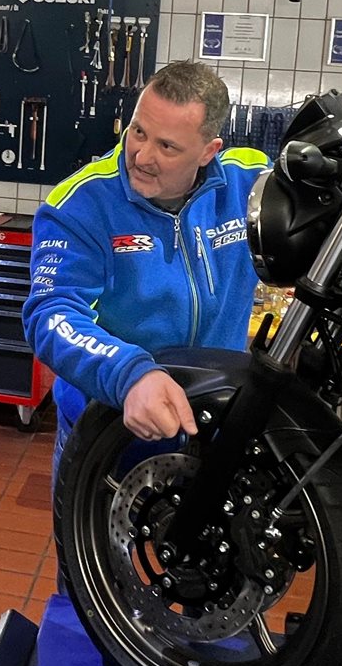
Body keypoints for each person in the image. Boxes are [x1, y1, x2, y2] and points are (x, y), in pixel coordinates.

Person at [26, 59, 268, 463]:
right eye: (138, 131)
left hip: (214, 426)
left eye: (167, 146)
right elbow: (51, 315)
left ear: (208, 151)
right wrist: (130, 374)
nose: (141, 156)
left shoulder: (250, 184)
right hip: (111, 430)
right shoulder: (81, 204)